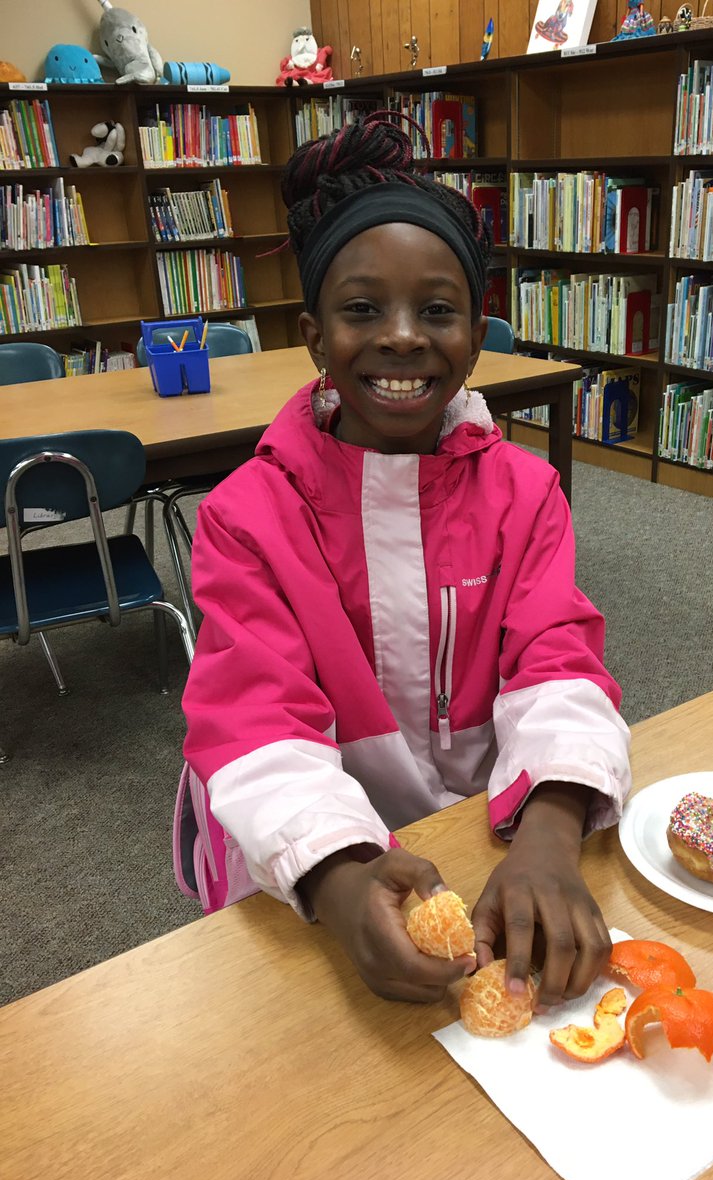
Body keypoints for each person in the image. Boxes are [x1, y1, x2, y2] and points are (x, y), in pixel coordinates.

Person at [181, 114, 631, 1011]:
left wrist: (550, 825)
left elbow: (556, 663)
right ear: (312, 334)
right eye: (360, 309)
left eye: (436, 310)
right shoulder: (246, 517)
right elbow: (256, 722)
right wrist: (339, 878)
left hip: (481, 836)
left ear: (476, 333)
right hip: (305, 861)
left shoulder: (528, 493)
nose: (400, 337)